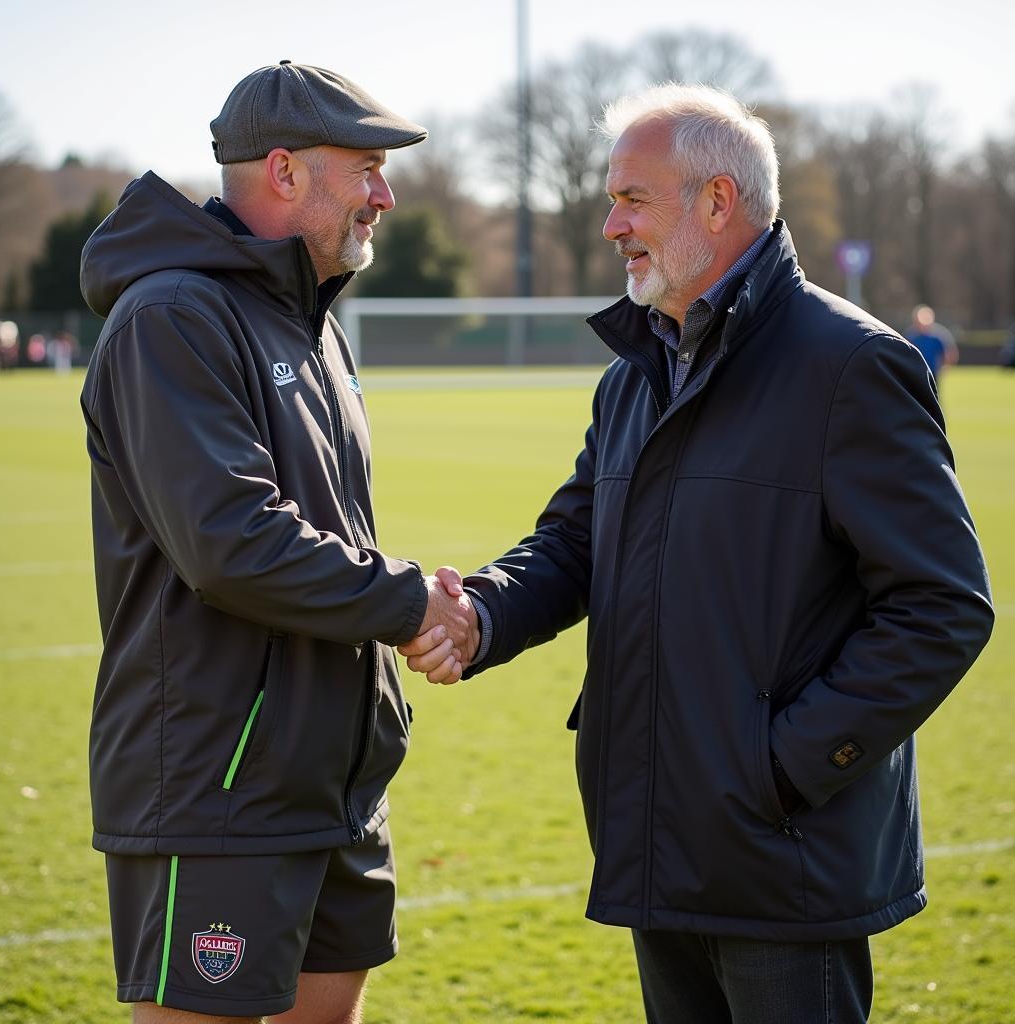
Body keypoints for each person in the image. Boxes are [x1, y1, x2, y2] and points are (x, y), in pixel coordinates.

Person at [401, 84, 994, 1023]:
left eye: (632, 199)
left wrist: (783, 767)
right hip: (657, 832)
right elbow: (576, 540)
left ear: (717, 202)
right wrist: (481, 613)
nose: (609, 225)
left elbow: (943, 602)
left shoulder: (851, 367)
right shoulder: (637, 371)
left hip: (782, 854)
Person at [80, 61, 475, 1024]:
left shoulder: (314, 324)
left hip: (334, 783)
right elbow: (232, 540)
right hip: (221, 791)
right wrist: (410, 602)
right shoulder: (172, 316)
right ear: (287, 172)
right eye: (368, 169)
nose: (386, 195)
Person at [905, 304, 958, 380]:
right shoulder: (911, 336)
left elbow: (949, 353)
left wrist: (945, 367)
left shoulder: (938, 336)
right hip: (915, 372)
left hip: (932, 373)